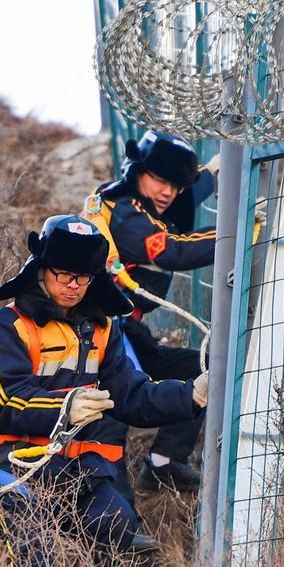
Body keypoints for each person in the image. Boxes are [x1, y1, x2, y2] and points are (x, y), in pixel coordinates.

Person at [0, 214, 208, 567]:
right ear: (41, 270)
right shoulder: (6, 325)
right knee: (35, 553)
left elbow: (131, 394)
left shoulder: (103, 328)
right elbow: (5, 402)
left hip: (74, 467)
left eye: (83, 277)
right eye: (64, 275)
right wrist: (67, 407)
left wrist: (190, 396)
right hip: (8, 464)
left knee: (114, 521)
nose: (73, 285)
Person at [84, 129, 219, 495]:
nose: (167, 191)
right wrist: (235, 231)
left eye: (175, 184)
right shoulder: (127, 215)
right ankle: (116, 528)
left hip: (128, 331)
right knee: (110, 421)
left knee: (199, 365)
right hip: (102, 335)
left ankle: (163, 464)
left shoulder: (139, 202)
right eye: (159, 179)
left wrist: (217, 170)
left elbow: (183, 196)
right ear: (136, 171)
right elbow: (171, 250)